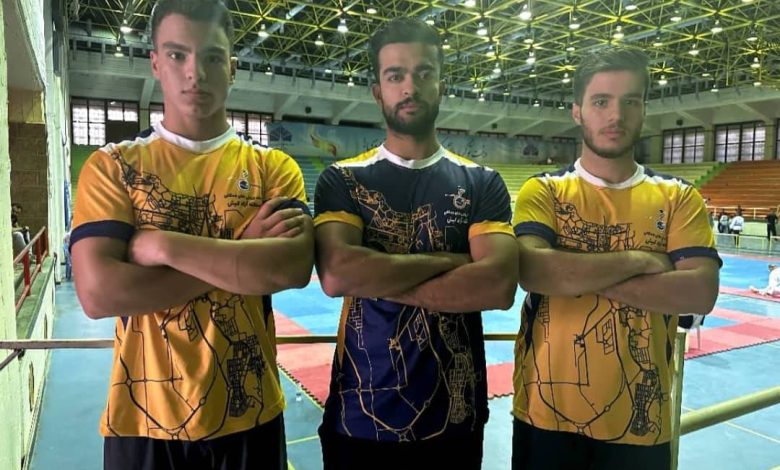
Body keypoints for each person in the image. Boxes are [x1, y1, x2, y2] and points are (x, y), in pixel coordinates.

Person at [70, 1, 314, 468]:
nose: (195, 73)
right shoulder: (115, 166)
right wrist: (242, 254)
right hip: (143, 420)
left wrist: (164, 246)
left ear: (233, 67)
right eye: (177, 55)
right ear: (155, 63)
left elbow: (292, 267)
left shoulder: (272, 167)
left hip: (251, 414)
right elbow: (99, 294)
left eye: (212, 57)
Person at [313, 17, 518, 470]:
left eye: (424, 73)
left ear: (441, 84)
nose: (410, 86)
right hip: (359, 417)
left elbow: (498, 286)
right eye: (395, 75)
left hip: (456, 422)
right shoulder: (344, 178)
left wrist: (376, 277)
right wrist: (451, 261)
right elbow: (339, 274)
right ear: (377, 91)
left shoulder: (481, 182)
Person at [511, 47, 721, 470]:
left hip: (643, 423)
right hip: (543, 414)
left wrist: (573, 273)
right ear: (577, 111)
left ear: (644, 110)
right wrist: (643, 260)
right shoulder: (545, 189)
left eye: (630, 101)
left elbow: (700, 292)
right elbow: (534, 271)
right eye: (601, 101)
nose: (616, 115)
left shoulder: (678, 196)